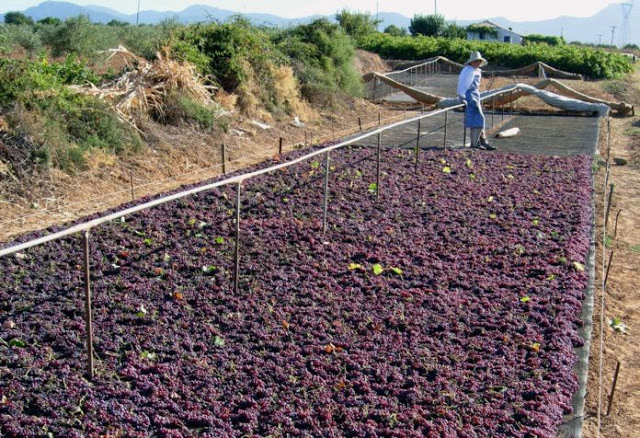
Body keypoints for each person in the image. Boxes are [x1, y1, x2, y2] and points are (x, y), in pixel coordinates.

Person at [457, 51, 496, 150]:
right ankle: (475, 143)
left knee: (478, 119)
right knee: (477, 118)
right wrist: (462, 97)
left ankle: (479, 141)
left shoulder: (477, 70)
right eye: (475, 61)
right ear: (471, 62)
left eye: (479, 61)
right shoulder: (468, 71)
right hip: (469, 95)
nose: (477, 63)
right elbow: (463, 85)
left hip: (475, 94)